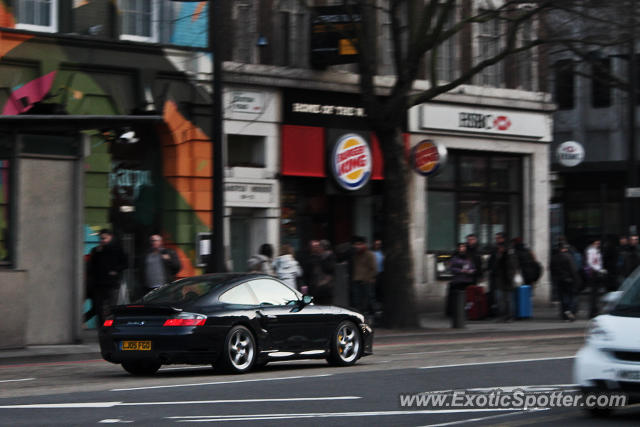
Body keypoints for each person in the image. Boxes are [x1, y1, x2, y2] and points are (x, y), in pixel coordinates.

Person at [86, 229, 127, 326]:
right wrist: (98, 252)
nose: (103, 240)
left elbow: (125, 263)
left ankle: (109, 327)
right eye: (101, 238)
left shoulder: (117, 249)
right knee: (98, 307)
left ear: (110, 237)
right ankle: (102, 327)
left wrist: (116, 271)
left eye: (105, 238)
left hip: (111, 283)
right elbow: (91, 267)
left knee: (111, 307)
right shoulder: (96, 250)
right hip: (98, 284)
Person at [487, 232, 517, 321]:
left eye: (498, 238)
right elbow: (492, 263)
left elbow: (512, 264)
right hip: (498, 277)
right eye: (496, 238)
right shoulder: (495, 250)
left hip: (507, 277)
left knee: (508, 298)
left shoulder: (509, 250)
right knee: (499, 298)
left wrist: (502, 255)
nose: (497, 240)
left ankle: (510, 316)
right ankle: (503, 315)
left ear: (503, 239)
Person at [550, 243, 581, 321]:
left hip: (559, 280)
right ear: (563, 249)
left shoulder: (554, 258)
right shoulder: (568, 257)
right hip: (569, 279)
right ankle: (570, 311)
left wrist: (555, 278)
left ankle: (565, 314)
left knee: (563, 297)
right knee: (572, 296)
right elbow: (573, 269)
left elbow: (551, 269)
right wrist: (576, 280)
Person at [446, 242, 477, 316]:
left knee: (467, 299)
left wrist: (471, 271)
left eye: (463, 247)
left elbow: (473, 268)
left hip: (468, 281)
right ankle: (457, 313)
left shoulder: (468, 258)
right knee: (458, 298)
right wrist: (460, 271)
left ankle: (467, 312)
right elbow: (451, 268)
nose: (462, 248)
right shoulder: (455, 258)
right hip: (458, 281)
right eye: (460, 247)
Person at [350, 236, 377, 315]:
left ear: (364, 245)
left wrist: (368, 279)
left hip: (366, 281)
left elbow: (373, 269)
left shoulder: (369, 254)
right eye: (356, 245)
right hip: (356, 281)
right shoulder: (355, 255)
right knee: (357, 301)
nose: (357, 246)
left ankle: (373, 315)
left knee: (368, 301)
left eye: (359, 244)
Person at [585, 239, 606, 318]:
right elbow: (591, 262)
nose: (598, 244)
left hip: (596, 273)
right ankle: (593, 312)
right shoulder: (591, 251)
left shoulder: (596, 251)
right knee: (593, 295)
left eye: (598, 243)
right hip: (594, 274)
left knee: (595, 295)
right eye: (597, 243)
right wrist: (599, 270)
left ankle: (594, 311)